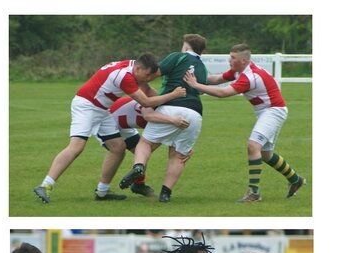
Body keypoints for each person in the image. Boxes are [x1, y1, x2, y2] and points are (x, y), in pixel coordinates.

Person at [33, 54, 186, 203]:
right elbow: (146, 102)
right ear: (139, 68)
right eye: (146, 75)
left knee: (118, 147)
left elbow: (146, 88)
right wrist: (173, 95)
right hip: (86, 106)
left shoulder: (134, 67)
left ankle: (102, 192)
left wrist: (167, 104)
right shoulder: (125, 77)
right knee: (76, 147)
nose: (147, 79)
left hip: (102, 109)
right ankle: (45, 185)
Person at [183, 44, 306, 202]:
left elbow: (223, 93)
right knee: (266, 155)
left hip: (273, 111)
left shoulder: (249, 76)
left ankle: (254, 193)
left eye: (233, 58)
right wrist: (193, 76)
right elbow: (216, 79)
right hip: (269, 111)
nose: (229, 60)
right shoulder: (239, 71)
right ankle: (296, 180)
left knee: (253, 146)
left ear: (243, 60)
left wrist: (196, 85)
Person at [118, 34, 209, 203]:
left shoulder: (177, 56)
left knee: (145, 143)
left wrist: (143, 86)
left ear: (186, 47)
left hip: (171, 106)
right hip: (195, 113)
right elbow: (201, 89)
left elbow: (153, 73)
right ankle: (165, 193)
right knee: (179, 156)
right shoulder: (203, 67)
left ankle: (139, 167)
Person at [97, 96, 191, 198]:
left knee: (142, 152)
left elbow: (169, 134)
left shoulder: (168, 110)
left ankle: (138, 184)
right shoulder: (159, 107)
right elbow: (147, 113)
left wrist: (185, 148)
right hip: (106, 120)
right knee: (118, 150)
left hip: (123, 124)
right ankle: (102, 192)